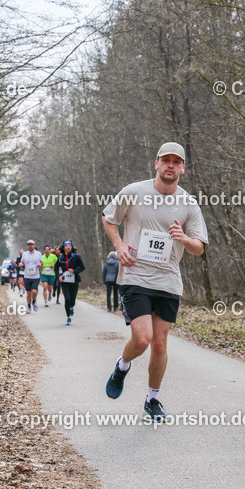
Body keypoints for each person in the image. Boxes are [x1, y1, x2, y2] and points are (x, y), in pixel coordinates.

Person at [101, 142, 208, 422]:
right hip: (136, 275)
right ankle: (122, 367)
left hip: (168, 280)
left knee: (160, 344)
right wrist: (120, 245)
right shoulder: (134, 191)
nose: (170, 165)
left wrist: (184, 238)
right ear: (156, 164)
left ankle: (152, 400)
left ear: (182, 168)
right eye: (166, 160)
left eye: (176, 161)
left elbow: (199, 248)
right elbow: (108, 218)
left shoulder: (188, 203)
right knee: (143, 338)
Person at [57, 241, 85, 325]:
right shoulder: (60, 258)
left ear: (72, 247)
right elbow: (56, 268)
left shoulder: (76, 257)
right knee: (67, 299)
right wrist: (59, 276)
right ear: (64, 247)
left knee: (72, 300)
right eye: (67, 246)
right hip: (65, 281)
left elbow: (82, 267)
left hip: (74, 281)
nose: (68, 247)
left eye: (70, 246)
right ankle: (68, 316)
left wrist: (74, 271)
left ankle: (72, 307)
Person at [19, 240, 43, 313]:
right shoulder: (25, 254)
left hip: (35, 276)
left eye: (31, 245)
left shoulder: (38, 253)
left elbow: (42, 262)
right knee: (29, 293)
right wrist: (21, 264)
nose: (30, 246)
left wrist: (40, 265)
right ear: (27, 246)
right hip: (27, 276)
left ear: (34, 245)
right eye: (29, 245)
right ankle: (29, 307)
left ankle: (34, 301)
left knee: (34, 291)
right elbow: (22, 262)